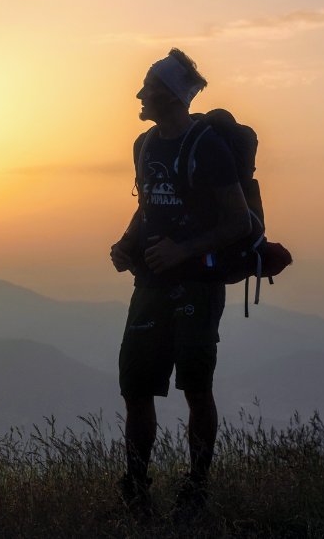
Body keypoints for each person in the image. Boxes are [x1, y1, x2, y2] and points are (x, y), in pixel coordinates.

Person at [110, 48, 252, 517]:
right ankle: (136, 487)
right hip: (150, 283)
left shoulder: (207, 147)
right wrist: (127, 243)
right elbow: (148, 204)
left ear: (170, 95)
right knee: (136, 389)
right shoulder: (145, 145)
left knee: (195, 387)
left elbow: (239, 222)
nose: (139, 93)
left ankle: (196, 488)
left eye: (148, 86)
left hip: (197, 284)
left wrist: (183, 251)